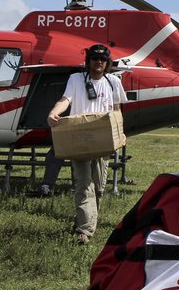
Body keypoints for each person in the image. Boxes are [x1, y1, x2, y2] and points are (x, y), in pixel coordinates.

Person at [47, 44, 127, 244]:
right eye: (94, 58)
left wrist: (119, 135)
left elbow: (117, 111)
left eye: (102, 59)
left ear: (107, 63)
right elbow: (66, 99)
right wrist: (55, 112)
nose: (98, 62)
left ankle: (88, 221)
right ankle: (84, 230)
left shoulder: (114, 82)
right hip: (79, 138)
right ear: (88, 61)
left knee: (99, 187)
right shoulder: (75, 79)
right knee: (84, 185)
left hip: (103, 139)